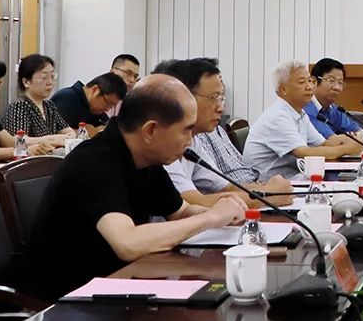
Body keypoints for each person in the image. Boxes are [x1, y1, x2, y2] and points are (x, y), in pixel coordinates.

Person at [25, 75, 247, 299]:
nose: (190, 141)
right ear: (150, 131)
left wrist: (224, 213)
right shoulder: (95, 161)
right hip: (70, 300)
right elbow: (128, 243)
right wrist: (209, 218)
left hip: (119, 284)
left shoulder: (145, 158)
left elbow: (180, 211)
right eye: (185, 130)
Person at [156, 57, 293, 209]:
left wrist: (268, 190)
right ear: (185, 98)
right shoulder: (163, 143)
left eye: (221, 98)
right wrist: (269, 195)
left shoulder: (193, 140)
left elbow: (226, 188)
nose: (221, 108)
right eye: (214, 98)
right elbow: (193, 203)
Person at [243, 60, 363, 178]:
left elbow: (323, 144)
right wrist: (348, 148)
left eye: (310, 81)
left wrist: (351, 140)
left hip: (294, 178)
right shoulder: (278, 117)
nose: (310, 87)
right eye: (302, 82)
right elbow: (305, 153)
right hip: (267, 185)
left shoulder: (300, 113)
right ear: (283, 89)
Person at [0, 54, 75, 148]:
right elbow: (19, 140)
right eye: (44, 78)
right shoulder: (19, 106)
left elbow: (70, 132)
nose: (50, 83)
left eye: (52, 77)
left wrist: (66, 137)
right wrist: (53, 139)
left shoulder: (49, 106)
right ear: (26, 82)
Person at [306, 57, 363, 138]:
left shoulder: (333, 109)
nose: (337, 87)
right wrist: (357, 138)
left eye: (340, 82)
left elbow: (357, 130)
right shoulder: (306, 108)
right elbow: (330, 140)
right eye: (331, 80)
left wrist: (359, 136)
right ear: (313, 82)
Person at [51, 72, 127, 131]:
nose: (107, 109)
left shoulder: (97, 111)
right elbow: (59, 133)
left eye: (112, 106)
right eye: (108, 103)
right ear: (95, 90)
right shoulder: (66, 98)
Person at [105, 53, 142, 120]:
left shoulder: (133, 103)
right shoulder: (97, 95)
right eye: (128, 73)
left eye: (135, 76)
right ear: (112, 71)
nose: (132, 80)